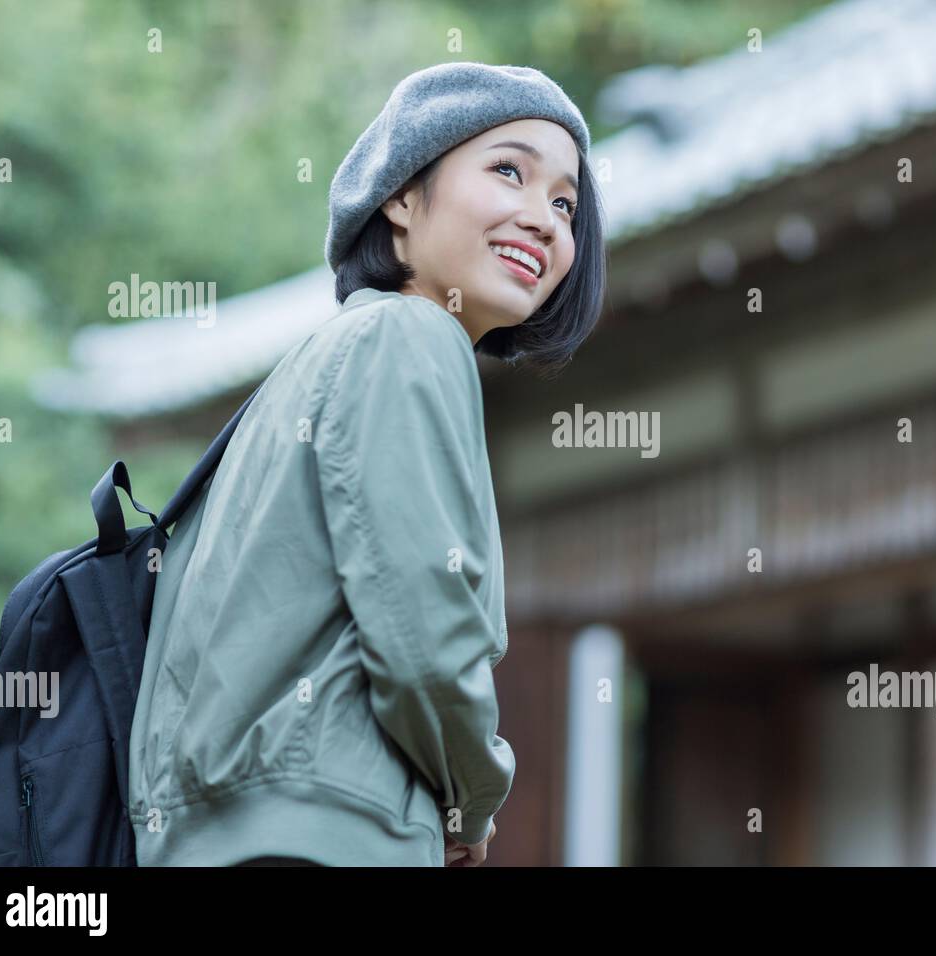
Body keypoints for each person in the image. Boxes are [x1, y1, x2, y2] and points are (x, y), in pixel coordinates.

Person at [127, 62, 606, 867]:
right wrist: (474, 801)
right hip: (324, 836)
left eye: (564, 202)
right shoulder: (409, 338)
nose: (546, 220)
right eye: (508, 171)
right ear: (400, 195)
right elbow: (422, 623)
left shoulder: (306, 374)